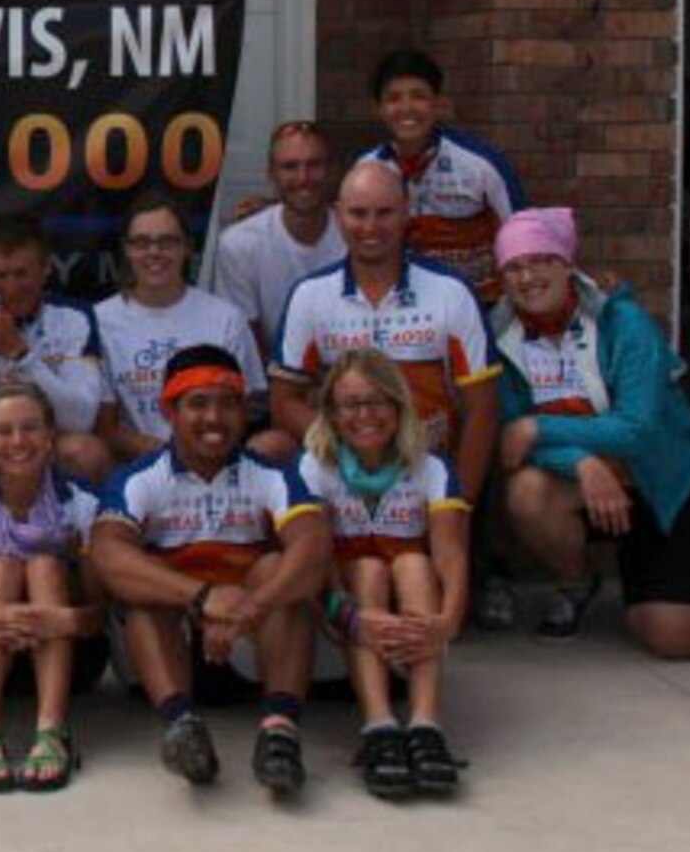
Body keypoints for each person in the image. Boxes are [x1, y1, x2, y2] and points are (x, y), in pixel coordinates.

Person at [90, 345, 330, 794]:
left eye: (228, 404)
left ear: (244, 411)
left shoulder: (271, 474)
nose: (214, 418)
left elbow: (313, 548)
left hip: (250, 641)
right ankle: (182, 727)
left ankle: (280, 732)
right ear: (170, 411)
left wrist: (251, 606)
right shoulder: (141, 476)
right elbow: (107, 555)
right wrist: (202, 596)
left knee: (282, 569)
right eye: (198, 404)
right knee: (143, 592)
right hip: (170, 648)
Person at [489, 207, 690, 658]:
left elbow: (635, 429)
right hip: (582, 481)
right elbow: (512, 444)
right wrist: (582, 462)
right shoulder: (498, 337)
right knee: (526, 492)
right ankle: (577, 582)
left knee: (677, 641)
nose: (528, 276)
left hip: (659, 476)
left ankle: (648, 572)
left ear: (567, 264)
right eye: (513, 266)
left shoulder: (623, 322)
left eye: (541, 260)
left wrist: (538, 425)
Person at [270, 162, 502, 514]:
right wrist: (346, 448)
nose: (370, 227)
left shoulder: (451, 291)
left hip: (427, 472)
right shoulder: (309, 294)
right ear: (338, 215)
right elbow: (283, 402)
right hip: (340, 471)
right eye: (358, 213)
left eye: (384, 213)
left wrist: (459, 505)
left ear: (407, 213)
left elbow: (482, 409)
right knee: (266, 447)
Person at [296, 349, 470, 797]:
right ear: (332, 413)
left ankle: (426, 723)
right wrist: (344, 613)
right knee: (368, 568)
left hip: (414, 622)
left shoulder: (431, 467)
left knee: (413, 563)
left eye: (377, 401)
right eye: (351, 404)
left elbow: (450, 554)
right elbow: (312, 560)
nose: (365, 415)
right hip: (341, 618)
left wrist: (447, 622)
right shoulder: (314, 466)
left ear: (399, 407)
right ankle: (378, 726)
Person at [0, 382, 107, 793]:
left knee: (46, 566)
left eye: (30, 428)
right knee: (3, 568)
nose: (18, 441)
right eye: (4, 430)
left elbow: (101, 616)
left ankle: (51, 730)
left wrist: (58, 619)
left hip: (69, 656)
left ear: (51, 436)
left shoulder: (83, 504)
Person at [0, 212, 112, 487]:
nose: (11, 288)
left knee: (87, 453)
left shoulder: (76, 319)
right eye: (0, 275)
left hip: (47, 450)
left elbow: (80, 421)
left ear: (46, 267)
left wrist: (21, 356)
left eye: (21, 274)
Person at [95, 194, 270, 464]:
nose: (154, 252)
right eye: (142, 243)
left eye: (167, 242)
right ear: (127, 250)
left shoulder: (226, 318)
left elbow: (248, 408)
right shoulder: (100, 321)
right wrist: (158, 452)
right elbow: (105, 426)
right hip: (138, 464)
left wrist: (200, 449)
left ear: (187, 248)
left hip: (216, 457)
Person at [356, 47, 526, 305]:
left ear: (438, 103)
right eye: (393, 98)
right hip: (404, 312)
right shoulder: (366, 171)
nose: (406, 108)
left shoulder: (481, 163)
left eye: (418, 96)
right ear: (378, 109)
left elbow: (524, 234)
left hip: (481, 306)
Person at [212, 120, 348, 356]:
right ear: (271, 174)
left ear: (332, 171)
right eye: (290, 167)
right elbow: (246, 340)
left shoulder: (356, 234)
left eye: (314, 165)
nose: (303, 177)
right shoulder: (239, 244)